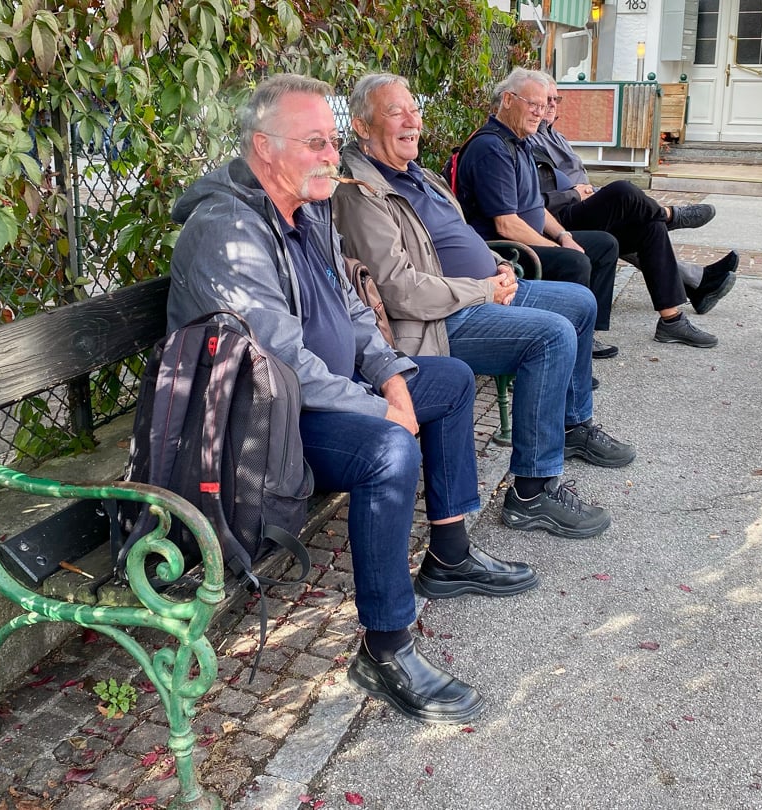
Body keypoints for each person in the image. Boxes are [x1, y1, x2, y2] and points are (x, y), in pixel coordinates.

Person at [168, 74, 540, 725]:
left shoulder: (307, 211)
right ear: (264, 146)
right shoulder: (226, 232)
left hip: (317, 400)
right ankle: (386, 648)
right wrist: (382, 410)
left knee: (448, 382)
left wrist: (393, 380)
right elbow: (282, 362)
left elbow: (355, 314)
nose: (330, 156)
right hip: (257, 423)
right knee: (387, 450)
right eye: (314, 142)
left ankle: (450, 555)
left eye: (332, 140)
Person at [334, 72, 635, 540]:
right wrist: (482, 290)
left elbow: (461, 235)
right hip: (437, 320)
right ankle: (531, 492)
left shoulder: (418, 175)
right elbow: (399, 291)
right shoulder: (360, 193)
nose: (412, 120)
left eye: (414, 109)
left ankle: (572, 426)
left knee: (579, 302)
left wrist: (499, 265)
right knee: (551, 336)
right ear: (361, 126)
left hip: (482, 289)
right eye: (396, 112)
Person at [531, 75, 739, 319]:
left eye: (556, 99)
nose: (551, 105)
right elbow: (533, 201)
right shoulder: (528, 141)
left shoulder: (555, 136)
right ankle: (670, 217)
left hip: (584, 206)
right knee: (624, 192)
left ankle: (674, 316)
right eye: (545, 100)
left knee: (649, 227)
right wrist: (574, 194)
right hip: (560, 218)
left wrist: (589, 192)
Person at [452, 69, 622, 360]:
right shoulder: (491, 148)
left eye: (543, 107)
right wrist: (556, 248)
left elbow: (535, 207)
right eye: (532, 104)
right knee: (574, 262)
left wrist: (563, 236)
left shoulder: (521, 143)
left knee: (605, 245)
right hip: (504, 251)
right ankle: (562, 351)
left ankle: (586, 334)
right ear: (508, 100)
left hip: (526, 239)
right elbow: (506, 225)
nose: (539, 113)